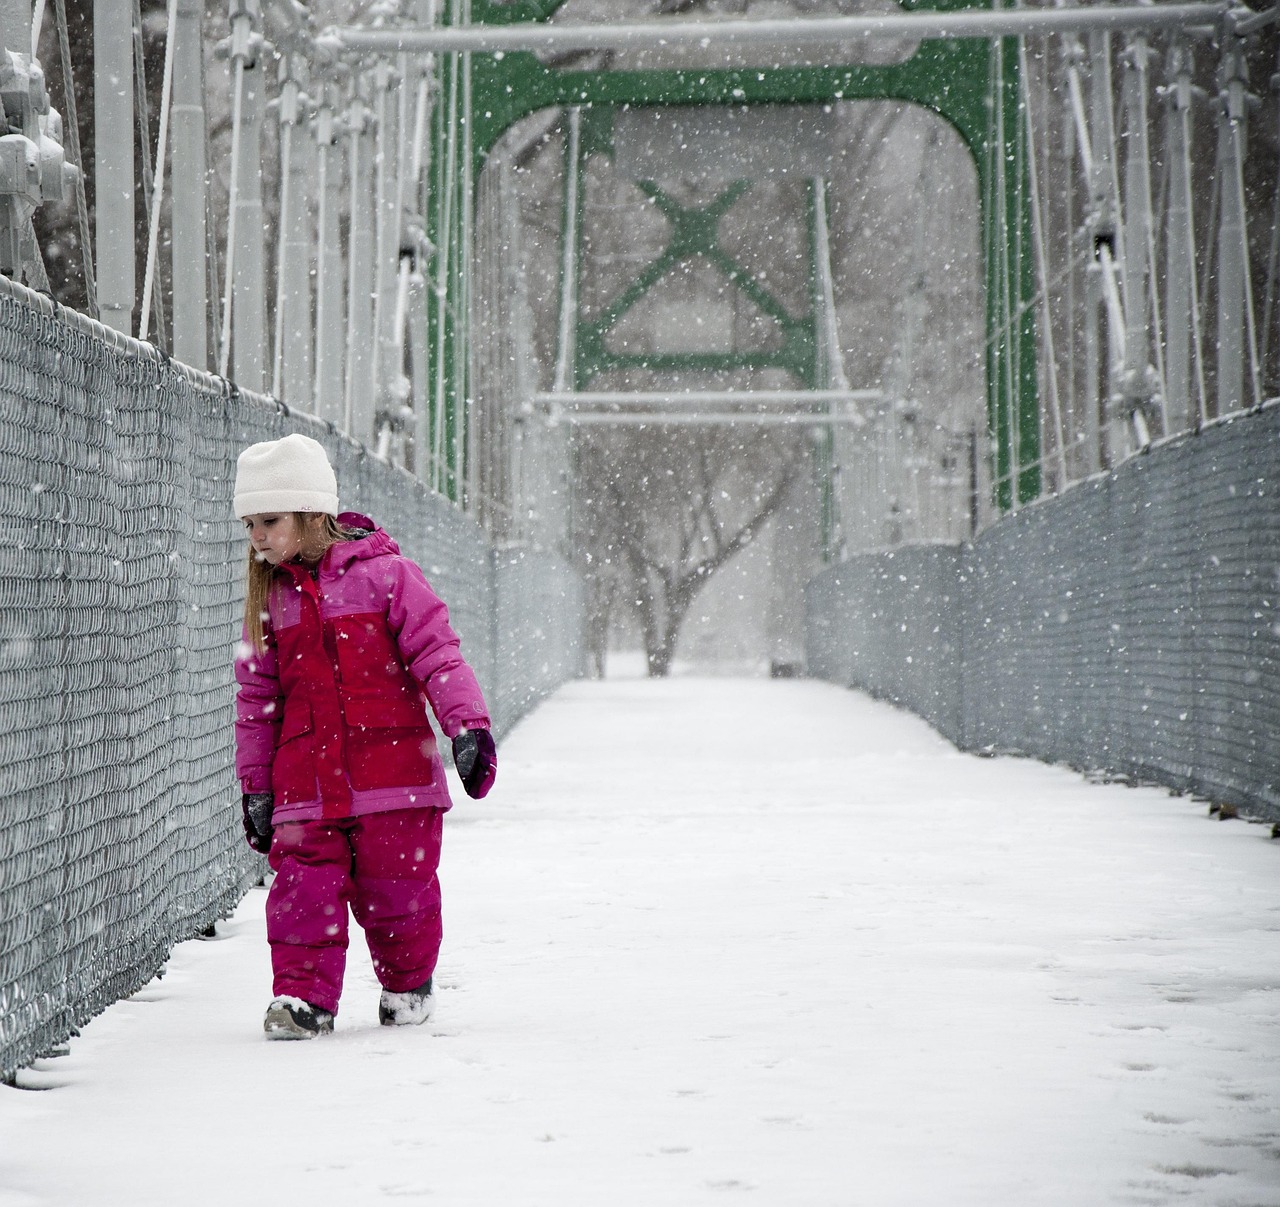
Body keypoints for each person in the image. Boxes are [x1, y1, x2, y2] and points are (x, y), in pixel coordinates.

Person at [232, 432, 496, 1040]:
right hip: (304, 785)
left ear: (309, 510)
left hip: (392, 777)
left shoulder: (388, 577)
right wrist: (257, 786)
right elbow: (256, 702)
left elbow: (437, 654)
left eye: (269, 521)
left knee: (397, 893)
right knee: (302, 890)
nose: (258, 538)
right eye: (250, 526)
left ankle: (407, 985)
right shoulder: (271, 601)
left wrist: (467, 727)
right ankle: (302, 1000)